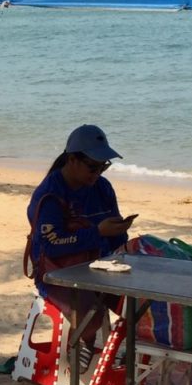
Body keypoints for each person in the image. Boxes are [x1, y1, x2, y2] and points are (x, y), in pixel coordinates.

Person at [25, 124, 135, 348]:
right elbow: (51, 245)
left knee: (138, 306)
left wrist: (120, 232)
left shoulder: (102, 187)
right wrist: (97, 232)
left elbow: (115, 238)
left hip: (100, 267)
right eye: (92, 168)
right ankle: (82, 349)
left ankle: (124, 355)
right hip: (57, 271)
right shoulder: (50, 194)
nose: (97, 174)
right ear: (72, 160)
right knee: (91, 319)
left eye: (103, 167)